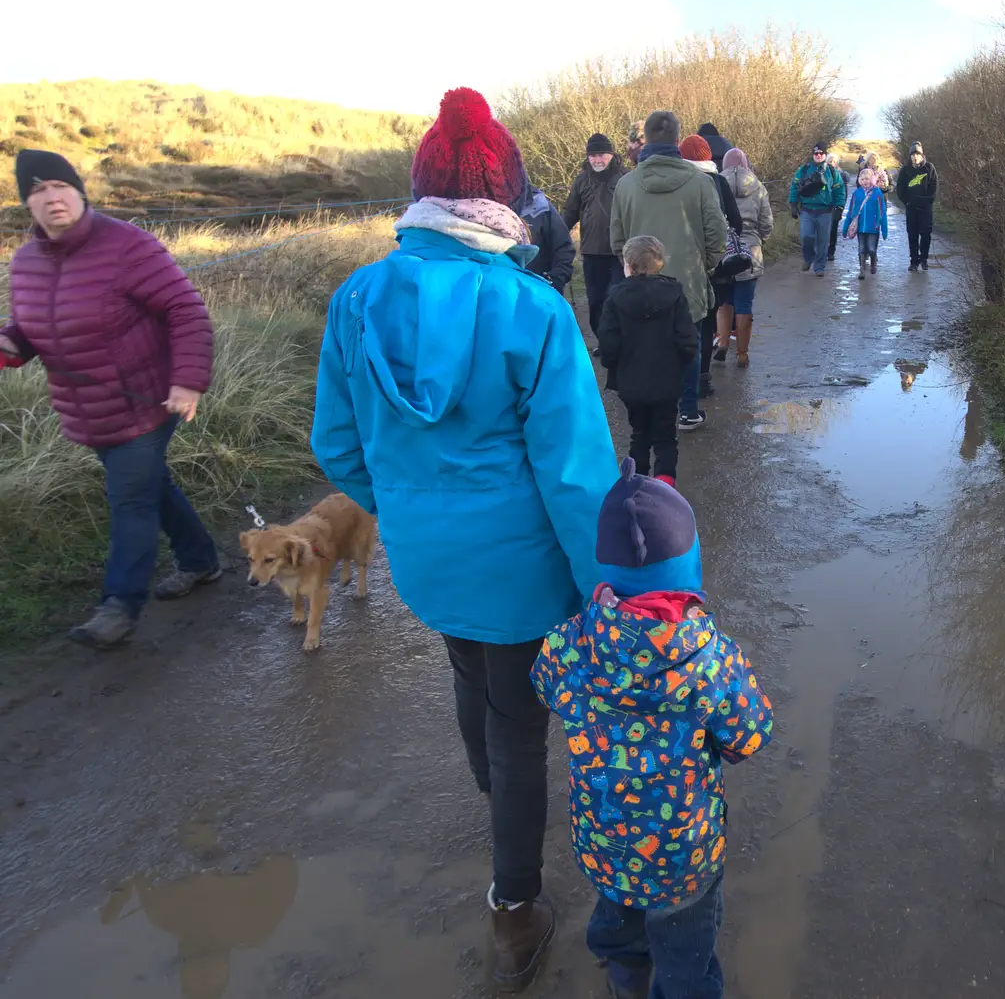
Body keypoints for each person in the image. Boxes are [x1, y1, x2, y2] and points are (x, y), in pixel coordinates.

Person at [310, 87, 618, 995]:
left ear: (422, 195)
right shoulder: (533, 308)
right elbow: (574, 473)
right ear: (507, 198)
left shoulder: (356, 300)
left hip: (429, 557)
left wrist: (404, 505)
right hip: (521, 564)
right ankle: (515, 910)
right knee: (522, 722)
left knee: (468, 677)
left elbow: (335, 442)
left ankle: (500, 809)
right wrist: (608, 588)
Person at [531, 459, 773, 999]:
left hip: (604, 839)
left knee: (618, 925)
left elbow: (545, 687)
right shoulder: (707, 659)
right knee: (687, 960)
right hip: (683, 855)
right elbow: (750, 735)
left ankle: (624, 981)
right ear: (689, 571)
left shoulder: (572, 643)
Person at [0, 149, 220, 649]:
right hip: (86, 408)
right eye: (37, 191)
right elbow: (31, 327)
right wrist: (9, 344)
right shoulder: (26, 261)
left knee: (131, 498)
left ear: (80, 191)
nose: (51, 197)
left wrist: (187, 382)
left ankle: (119, 605)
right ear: (26, 204)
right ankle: (201, 560)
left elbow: (185, 311)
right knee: (150, 486)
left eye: (60, 185)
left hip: (145, 399)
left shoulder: (128, 245)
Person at [609, 110, 727, 433]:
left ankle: (650, 413)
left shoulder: (625, 185)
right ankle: (688, 411)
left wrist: (633, 268)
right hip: (688, 281)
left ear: (645, 140)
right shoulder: (701, 183)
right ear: (678, 139)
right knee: (688, 345)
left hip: (638, 283)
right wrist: (706, 264)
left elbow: (617, 239)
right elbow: (718, 234)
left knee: (644, 346)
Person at [596, 236, 697, 486]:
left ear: (627, 264)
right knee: (665, 438)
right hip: (667, 379)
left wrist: (614, 366)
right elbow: (688, 340)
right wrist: (681, 363)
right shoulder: (674, 295)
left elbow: (608, 343)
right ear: (660, 262)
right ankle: (665, 488)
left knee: (639, 436)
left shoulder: (616, 297)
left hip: (631, 382)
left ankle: (637, 487)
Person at [679, 134, 741, 400]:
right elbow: (735, 222)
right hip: (712, 266)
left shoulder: (678, 184)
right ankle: (702, 379)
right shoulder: (718, 181)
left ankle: (679, 382)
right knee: (706, 323)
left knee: (680, 322)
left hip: (680, 262)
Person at [563, 133, 627, 339]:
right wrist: (557, 234)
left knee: (616, 297)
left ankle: (617, 340)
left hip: (620, 252)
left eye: (602, 155)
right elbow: (570, 212)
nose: (598, 160)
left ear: (611, 154)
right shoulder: (581, 180)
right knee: (596, 300)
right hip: (591, 251)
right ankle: (603, 340)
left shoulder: (626, 178)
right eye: (593, 156)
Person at [714, 148, 773, 369]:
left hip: (723, 249)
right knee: (744, 304)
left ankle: (722, 344)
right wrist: (760, 241)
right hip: (750, 249)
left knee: (724, 301)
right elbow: (766, 222)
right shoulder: (758, 187)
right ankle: (742, 354)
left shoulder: (715, 185)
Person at [788, 144, 846, 277]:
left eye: (821, 153)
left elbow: (839, 190)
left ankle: (819, 267)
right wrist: (793, 203)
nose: (818, 155)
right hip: (807, 210)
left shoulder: (832, 171)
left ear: (825, 155)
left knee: (823, 240)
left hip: (825, 211)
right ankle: (808, 258)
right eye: (816, 153)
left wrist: (840, 207)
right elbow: (794, 186)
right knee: (806, 236)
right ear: (812, 155)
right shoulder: (804, 170)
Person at [512, 177, 576, 292]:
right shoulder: (479, 207)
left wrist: (555, 279)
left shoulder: (540, 206)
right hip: (499, 294)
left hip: (539, 289)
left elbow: (563, 246)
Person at [896, 140, 939, 271]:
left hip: (925, 207)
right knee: (912, 235)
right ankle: (914, 261)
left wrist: (928, 200)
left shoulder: (929, 168)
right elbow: (900, 188)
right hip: (911, 207)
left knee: (926, 234)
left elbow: (934, 186)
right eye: (913, 154)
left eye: (917, 154)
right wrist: (907, 201)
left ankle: (924, 259)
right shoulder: (905, 170)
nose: (915, 157)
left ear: (922, 155)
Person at [842, 169, 890, 280]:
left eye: (867, 179)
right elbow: (850, 212)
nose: (865, 181)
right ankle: (862, 269)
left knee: (872, 249)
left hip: (873, 227)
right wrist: (845, 228)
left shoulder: (877, 193)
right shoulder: (856, 193)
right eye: (862, 179)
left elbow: (882, 211)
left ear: (872, 179)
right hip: (860, 228)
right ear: (859, 180)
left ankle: (873, 262)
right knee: (861, 249)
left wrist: (884, 228)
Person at [824, 152, 845, 261]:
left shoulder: (841, 175)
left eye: (834, 161)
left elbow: (843, 192)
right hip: (823, 206)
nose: (832, 163)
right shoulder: (822, 173)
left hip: (835, 206)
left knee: (833, 229)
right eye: (830, 161)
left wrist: (841, 207)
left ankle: (831, 251)